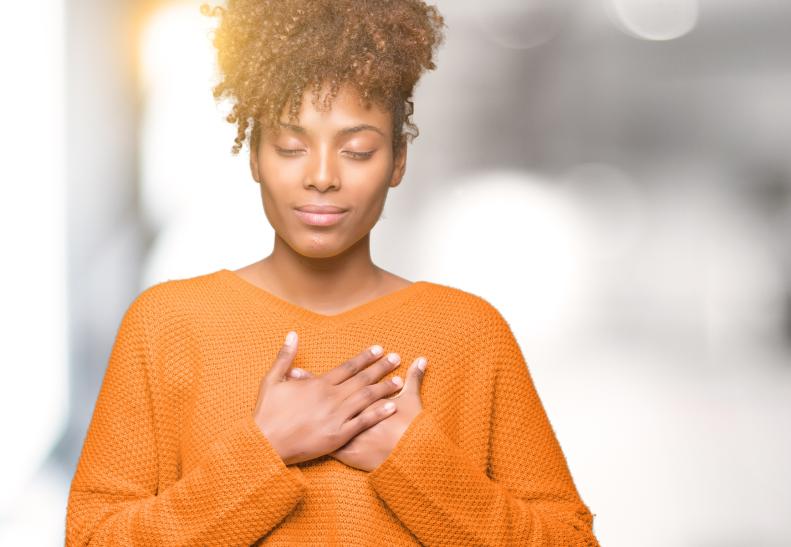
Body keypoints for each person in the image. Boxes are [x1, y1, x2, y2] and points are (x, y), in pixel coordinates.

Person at [64, 0, 599, 545]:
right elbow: (91, 539)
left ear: (397, 162)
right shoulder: (167, 325)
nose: (322, 176)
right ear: (253, 156)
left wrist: (413, 460)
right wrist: (264, 450)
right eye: (291, 146)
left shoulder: (469, 333)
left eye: (358, 150)